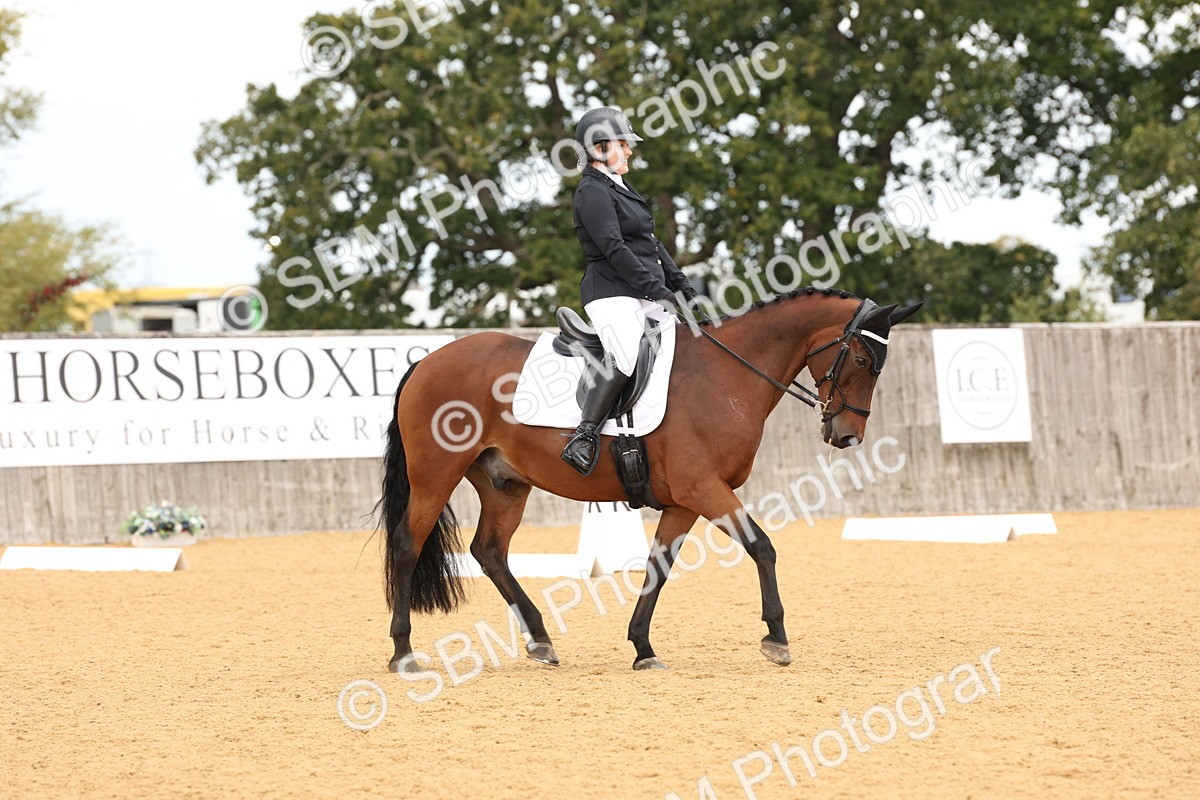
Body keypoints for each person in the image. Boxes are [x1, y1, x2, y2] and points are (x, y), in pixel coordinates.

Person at [560, 107, 699, 477]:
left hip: (640, 289)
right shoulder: (591, 192)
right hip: (610, 293)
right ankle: (585, 435)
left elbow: (652, 245)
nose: (630, 152)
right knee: (625, 352)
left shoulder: (620, 188)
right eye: (624, 144)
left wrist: (683, 289)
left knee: (682, 342)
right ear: (601, 148)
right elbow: (615, 249)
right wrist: (657, 290)